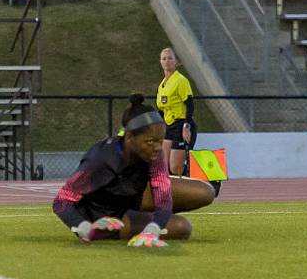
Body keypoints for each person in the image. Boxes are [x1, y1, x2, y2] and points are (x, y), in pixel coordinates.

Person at [52, 94, 214, 247]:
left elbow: (163, 199)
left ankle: (142, 218)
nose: (158, 147)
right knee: (181, 227)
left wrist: (153, 229)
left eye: (160, 141)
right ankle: (106, 232)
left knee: (205, 191)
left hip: (131, 197)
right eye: (150, 141)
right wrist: (85, 227)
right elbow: (61, 201)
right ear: (129, 138)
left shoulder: (154, 155)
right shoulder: (101, 159)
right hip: (102, 215)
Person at [157, 47, 196, 176]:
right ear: (160, 62)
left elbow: (190, 104)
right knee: (165, 166)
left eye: (170, 58)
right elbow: (161, 110)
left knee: (175, 168)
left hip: (181, 124)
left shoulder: (180, 80)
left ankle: (199, 181)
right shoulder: (162, 85)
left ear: (175, 61)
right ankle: (172, 194)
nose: (167, 61)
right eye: (164, 58)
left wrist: (186, 126)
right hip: (169, 126)